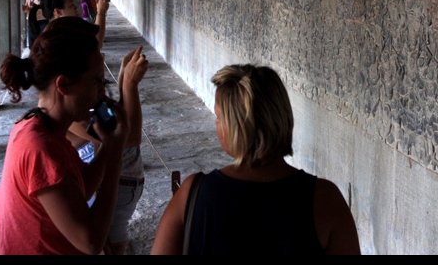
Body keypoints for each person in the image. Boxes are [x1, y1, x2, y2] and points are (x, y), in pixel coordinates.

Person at [151, 65, 360, 255]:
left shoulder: (193, 194)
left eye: (219, 117)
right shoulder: (325, 200)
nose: (216, 124)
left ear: (236, 128)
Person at [0, 17, 129, 254]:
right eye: (96, 81)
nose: (102, 92)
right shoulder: (40, 148)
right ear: (63, 86)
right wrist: (114, 157)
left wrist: (109, 145)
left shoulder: (39, 126)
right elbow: (90, 242)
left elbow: (81, 189)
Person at [67, 46, 148, 255]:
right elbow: (129, 138)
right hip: (116, 181)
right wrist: (129, 84)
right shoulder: (77, 111)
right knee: (111, 239)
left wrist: (122, 80)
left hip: (119, 180)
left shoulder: (88, 103)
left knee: (113, 237)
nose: (102, 89)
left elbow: (117, 123)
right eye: (96, 81)